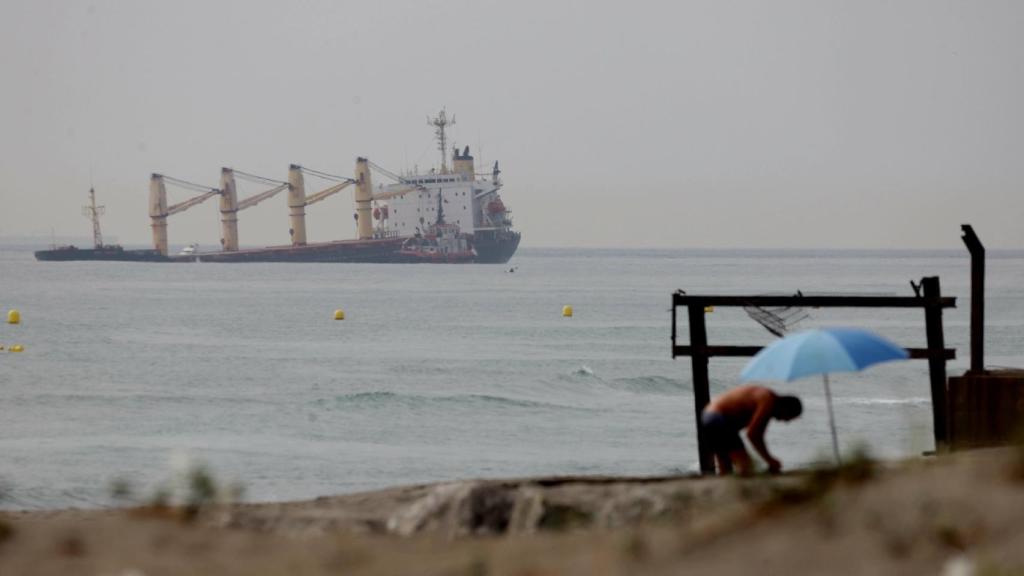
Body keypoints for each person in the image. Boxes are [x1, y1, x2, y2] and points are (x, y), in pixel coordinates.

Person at [701, 385, 802, 475]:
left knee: (725, 465)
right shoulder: (768, 400)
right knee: (745, 466)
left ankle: (725, 493)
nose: (784, 421)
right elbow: (753, 434)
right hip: (719, 418)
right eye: (788, 417)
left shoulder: (765, 395)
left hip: (708, 416)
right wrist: (769, 459)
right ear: (785, 408)